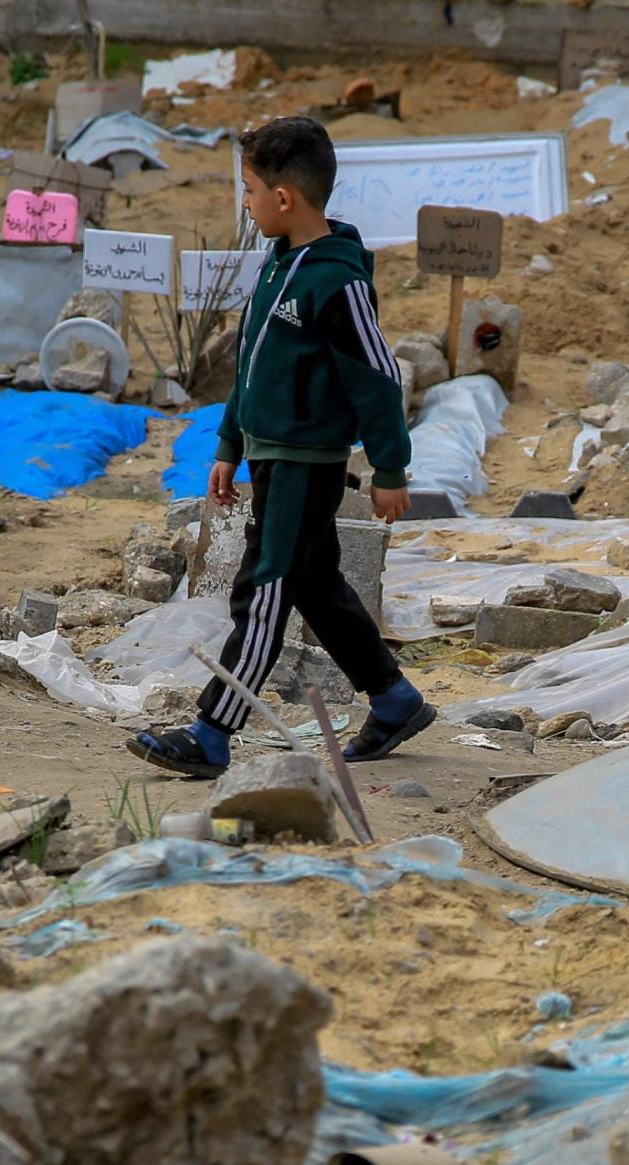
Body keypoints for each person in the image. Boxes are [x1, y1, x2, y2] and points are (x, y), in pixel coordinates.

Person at [128, 115, 435, 780]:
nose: (245, 202)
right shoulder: (279, 266)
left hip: (306, 464)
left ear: (284, 199)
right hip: (270, 453)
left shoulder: (337, 281)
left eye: (248, 190)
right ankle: (395, 698)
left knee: (263, 588)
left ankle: (212, 733)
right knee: (316, 586)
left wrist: (389, 467)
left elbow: (377, 376)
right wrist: (228, 445)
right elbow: (251, 367)